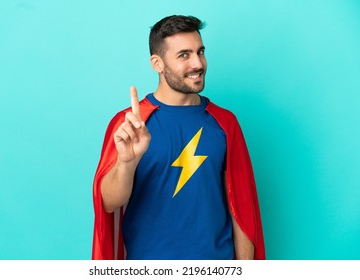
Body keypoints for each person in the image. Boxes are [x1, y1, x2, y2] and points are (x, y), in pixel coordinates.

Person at [92, 15, 265, 260]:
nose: (198, 63)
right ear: (157, 63)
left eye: (200, 52)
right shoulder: (130, 124)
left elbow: (242, 210)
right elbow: (108, 203)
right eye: (184, 55)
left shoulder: (225, 123)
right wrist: (127, 162)